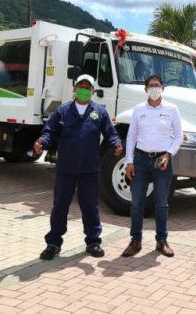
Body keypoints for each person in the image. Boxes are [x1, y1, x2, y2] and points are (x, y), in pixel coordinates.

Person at [34, 74, 123, 260]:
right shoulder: (63, 110)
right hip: (65, 168)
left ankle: (93, 241)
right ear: (75, 89)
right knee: (60, 206)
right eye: (80, 86)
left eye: (87, 87)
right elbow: (50, 132)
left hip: (89, 169)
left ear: (92, 90)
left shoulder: (99, 111)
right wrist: (42, 141)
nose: (84, 89)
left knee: (90, 206)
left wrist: (116, 144)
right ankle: (53, 243)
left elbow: (110, 133)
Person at [121, 75, 183, 257]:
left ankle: (161, 241)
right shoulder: (138, 109)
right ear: (145, 89)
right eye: (151, 86)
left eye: (157, 86)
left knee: (161, 204)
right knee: (136, 203)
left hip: (162, 161)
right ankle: (135, 241)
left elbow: (179, 136)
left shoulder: (172, 109)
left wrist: (169, 154)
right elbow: (131, 137)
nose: (154, 89)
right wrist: (129, 162)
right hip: (140, 160)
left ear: (163, 88)